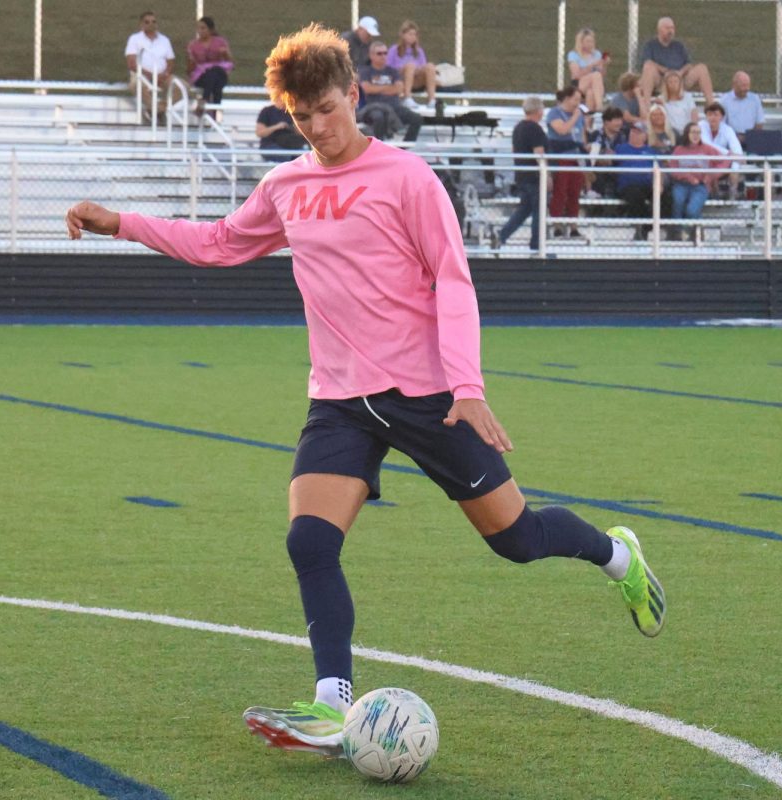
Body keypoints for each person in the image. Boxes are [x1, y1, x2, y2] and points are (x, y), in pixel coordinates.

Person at [65, 22, 665, 758]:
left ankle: (618, 557)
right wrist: (119, 222)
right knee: (310, 541)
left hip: (428, 396)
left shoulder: (407, 178)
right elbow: (219, 243)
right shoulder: (286, 185)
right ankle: (331, 706)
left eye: (327, 109)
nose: (317, 128)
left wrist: (468, 386)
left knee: (517, 539)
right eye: (301, 116)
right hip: (341, 401)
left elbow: (453, 278)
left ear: (354, 95)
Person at [495, 96, 548, 251]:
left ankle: (502, 235)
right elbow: (539, 153)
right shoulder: (534, 128)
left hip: (522, 175)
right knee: (539, 210)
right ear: (538, 110)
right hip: (534, 176)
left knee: (524, 209)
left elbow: (514, 150)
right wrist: (547, 174)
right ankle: (536, 245)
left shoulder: (518, 127)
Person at [637, 16, 714, 103]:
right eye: (667, 28)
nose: (670, 31)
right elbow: (647, 62)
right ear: (659, 29)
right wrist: (665, 71)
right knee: (648, 68)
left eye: (672, 28)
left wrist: (679, 73)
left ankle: (712, 105)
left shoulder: (678, 46)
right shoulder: (650, 45)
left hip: (680, 79)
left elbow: (688, 64)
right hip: (661, 81)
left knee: (702, 68)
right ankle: (646, 107)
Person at [545, 86, 588, 239]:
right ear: (567, 98)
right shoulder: (554, 113)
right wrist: (575, 117)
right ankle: (557, 225)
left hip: (576, 158)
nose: (578, 103)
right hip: (560, 157)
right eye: (575, 99)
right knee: (560, 192)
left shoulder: (580, 117)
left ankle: (573, 226)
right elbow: (562, 130)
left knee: (574, 193)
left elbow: (581, 138)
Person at [357, 41, 422, 142]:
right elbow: (367, 89)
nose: (383, 56)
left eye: (385, 53)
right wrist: (390, 88)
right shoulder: (366, 71)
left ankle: (405, 147)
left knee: (416, 119)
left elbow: (400, 88)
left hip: (395, 106)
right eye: (379, 53)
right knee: (378, 117)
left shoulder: (393, 71)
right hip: (374, 106)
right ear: (371, 55)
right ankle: (378, 147)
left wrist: (377, 88)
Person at [668, 122, 722, 241]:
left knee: (692, 210)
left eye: (698, 132)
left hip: (701, 185)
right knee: (678, 201)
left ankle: (687, 231)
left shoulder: (707, 149)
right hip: (682, 184)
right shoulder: (679, 150)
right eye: (693, 132)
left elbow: (724, 161)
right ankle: (678, 233)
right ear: (687, 134)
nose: (696, 135)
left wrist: (711, 175)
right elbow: (672, 169)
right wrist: (688, 177)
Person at [125, 10, 176, 123]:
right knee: (135, 85)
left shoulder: (165, 40)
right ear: (141, 24)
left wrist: (165, 74)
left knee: (182, 87)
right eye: (147, 22)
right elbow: (131, 63)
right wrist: (150, 75)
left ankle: (156, 109)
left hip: (163, 76)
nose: (151, 24)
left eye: (153, 21)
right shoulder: (134, 39)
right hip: (142, 75)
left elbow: (171, 61)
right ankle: (157, 111)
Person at [614, 122, 661, 240]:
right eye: (633, 131)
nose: (634, 134)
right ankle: (644, 227)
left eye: (638, 132)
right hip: (629, 185)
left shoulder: (651, 151)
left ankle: (650, 227)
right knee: (635, 194)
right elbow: (610, 162)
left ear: (645, 136)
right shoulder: (620, 148)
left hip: (648, 184)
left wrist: (659, 184)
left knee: (667, 197)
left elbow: (658, 169)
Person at [187, 16, 233, 118]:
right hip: (202, 77)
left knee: (215, 72)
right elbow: (189, 70)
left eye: (203, 28)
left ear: (210, 30)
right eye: (198, 28)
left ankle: (204, 101)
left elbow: (230, 62)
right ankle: (214, 115)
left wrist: (224, 53)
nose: (200, 31)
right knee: (214, 77)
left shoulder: (220, 42)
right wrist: (191, 61)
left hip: (219, 74)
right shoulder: (193, 45)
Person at [387, 20, 437, 113]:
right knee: (410, 66)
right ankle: (407, 97)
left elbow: (423, 67)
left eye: (414, 34)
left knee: (430, 66)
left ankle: (432, 100)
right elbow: (388, 68)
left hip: (416, 80)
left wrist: (417, 70)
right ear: (403, 35)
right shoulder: (394, 50)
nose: (412, 37)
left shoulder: (419, 51)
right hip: (401, 79)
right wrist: (406, 69)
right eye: (410, 34)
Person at [698, 102, 744, 197]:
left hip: (720, 162)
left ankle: (732, 195)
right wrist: (728, 154)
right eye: (710, 114)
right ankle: (713, 194)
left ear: (722, 117)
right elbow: (707, 144)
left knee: (735, 165)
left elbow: (737, 152)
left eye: (716, 114)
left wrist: (734, 170)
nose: (713, 117)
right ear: (706, 116)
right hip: (703, 161)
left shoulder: (727, 129)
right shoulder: (701, 125)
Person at [567, 27, 609, 112]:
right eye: (588, 41)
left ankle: (588, 121)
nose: (591, 44)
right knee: (595, 75)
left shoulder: (596, 54)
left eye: (592, 41)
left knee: (590, 93)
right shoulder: (573, 54)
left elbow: (602, 75)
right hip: (579, 84)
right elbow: (576, 75)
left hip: (593, 86)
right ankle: (600, 105)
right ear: (581, 42)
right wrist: (592, 65)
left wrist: (604, 65)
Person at [588, 105, 627, 198]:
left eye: (621, 120)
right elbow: (591, 155)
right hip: (600, 170)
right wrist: (603, 156)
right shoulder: (596, 135)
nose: (620, 123)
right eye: (616, 120)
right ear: (606, 122)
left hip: (618, 170)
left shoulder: (624, 135)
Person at [719, 71, 765, 145]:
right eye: (743, 86)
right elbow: (721, 124)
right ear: (734, 85)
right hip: (730, 139)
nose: (747, 88)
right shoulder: (725, 100)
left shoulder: (755, 99)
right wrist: (733, 137)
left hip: (751, 138)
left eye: (748, 85)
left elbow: (759, 123)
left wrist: (751, 137)